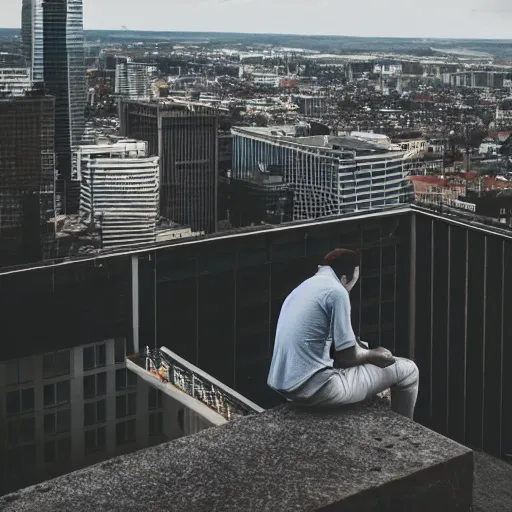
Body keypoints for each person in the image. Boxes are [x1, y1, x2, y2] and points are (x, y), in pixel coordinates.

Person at [267, 248, 419, 419]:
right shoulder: (337, 292)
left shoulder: (303, 288)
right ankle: (404, 431)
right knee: (409, 370)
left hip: (284, 385)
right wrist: (374, 354)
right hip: (316, 389)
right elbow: (347, 356)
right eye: (353, 282)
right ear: (344, 279)